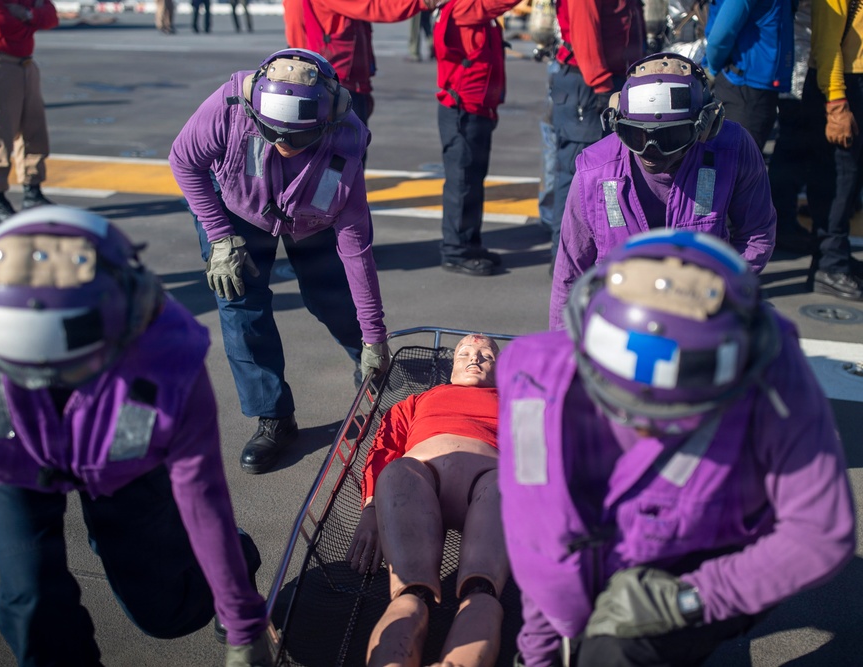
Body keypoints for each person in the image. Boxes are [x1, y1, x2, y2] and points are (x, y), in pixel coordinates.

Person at [0, 206, 271, 667]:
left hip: (119, 453)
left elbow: (201, 491)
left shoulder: (169, 354)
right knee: (34, 600)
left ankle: (236, 560)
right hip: (9, 454)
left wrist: (242, 622)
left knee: (168, 611)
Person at [498, 229, 856, 667]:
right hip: (613, 550)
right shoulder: (532, 382)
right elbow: (540, 532)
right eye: (623, 410)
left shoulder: (773, 372)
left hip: (713, 550)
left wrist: (687, 600)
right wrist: (540, 653)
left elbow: (819, 532)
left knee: (615, 652)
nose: (647, 429)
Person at [169, 49, 392, 476]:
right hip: (233, 208)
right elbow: (184, 160)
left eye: (298, 138)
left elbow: (355, 244)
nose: (284, 146)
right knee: (240, 304)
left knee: (334, 297)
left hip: (310, 217)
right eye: (273, 135)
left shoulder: (346, 142)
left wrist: (375, 335)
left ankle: (374, 369)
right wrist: (219, 236)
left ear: (327, 121)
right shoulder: (231, 106)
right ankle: (273, 416)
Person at [549, 53, 776, 330]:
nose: (650, 152)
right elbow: (570, 271)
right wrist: (564, 346)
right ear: (618, 124)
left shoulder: (733, 149)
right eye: (637, 136)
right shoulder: (594, 170)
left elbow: (757, 234)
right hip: (619, 317)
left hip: (700, 311)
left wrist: (721, 293)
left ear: (705, 126)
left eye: (669, 137)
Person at [347, 334, 509, 667]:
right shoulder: (417, 401)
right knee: (398, 471)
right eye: (464, 353)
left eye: (486, 356)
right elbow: (384, 449)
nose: (474, 359)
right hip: (419, 476)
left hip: (490, 480)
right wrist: (372, 509)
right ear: (451, 367)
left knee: (483, 587)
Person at [543, 0, 645, 261]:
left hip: (608, 80)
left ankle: (602, 255)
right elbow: (585, 34)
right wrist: (601, 86)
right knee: (577, 174)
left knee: (611, 174)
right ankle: (567, 260)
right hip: (589, 84)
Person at [434, 0, 522, 276]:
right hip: (464, 109)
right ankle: (456, 250)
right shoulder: (463, 7)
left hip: (477, 108)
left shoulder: (472, 9)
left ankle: (469, 243)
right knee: (462, 182)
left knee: (472, 180)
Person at [0, 0, 59, 227]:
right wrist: (33, 18)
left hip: (25, 64)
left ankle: (32, 191)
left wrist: (25, 16)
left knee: (34, 130)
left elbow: (51, 17)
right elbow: (0, 26)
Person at [801, 0, 863, 300]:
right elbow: (826, 43)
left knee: (849, 181)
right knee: (839, 178)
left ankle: (836, 255)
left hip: (851, 82)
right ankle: (829, 265)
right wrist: (836, 101)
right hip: (839, 86)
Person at [301, 0, 434, 129]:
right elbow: (373, 6)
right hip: (335, 86)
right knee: (345, 147)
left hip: (349, 82)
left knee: (355, 144)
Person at [703, 0, 793, 152]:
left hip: (753, 84)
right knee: (737, 165)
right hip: (744, 86)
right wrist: (712, 68)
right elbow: (720, 37)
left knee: (740, 164)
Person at [767, 0, 816, 254]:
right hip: (798, 63)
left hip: (804, 58)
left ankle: (786, 220)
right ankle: (782, 223)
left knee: (798, 148)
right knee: (792, 147)